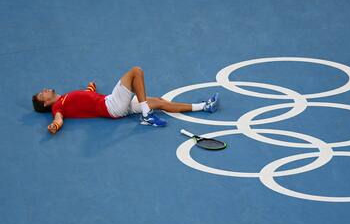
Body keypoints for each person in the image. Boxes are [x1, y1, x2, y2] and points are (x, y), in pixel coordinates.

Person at [32, 66, 218, 135]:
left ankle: (204, 106)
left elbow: (85, 97)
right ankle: (146, 116)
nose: (44, 90)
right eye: (42, 95)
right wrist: (55, 126)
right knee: (136, 72)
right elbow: (58, 118)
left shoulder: (65, 98)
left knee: (160, 101)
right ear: (46, 104)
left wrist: (91, 88)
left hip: (116, 105)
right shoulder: (58, 106)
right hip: (111, 105)